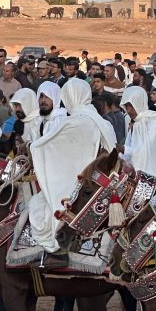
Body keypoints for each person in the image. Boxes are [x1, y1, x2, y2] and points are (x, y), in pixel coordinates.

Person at [28, 78, 117, 257]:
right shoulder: (101, 121)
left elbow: (45, 147)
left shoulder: (74, 122)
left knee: (37, 206)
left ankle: (54, 249)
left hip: (80, 182)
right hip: (99, 182)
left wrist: (32, 147)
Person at [119, 86, 156, 185]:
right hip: (138, 179)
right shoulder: (137, 124)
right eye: (126, 106)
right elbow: (131, 153)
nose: (128, 110)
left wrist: (124, 149)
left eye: (131, 105)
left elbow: (150, 152)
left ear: (139, 102)